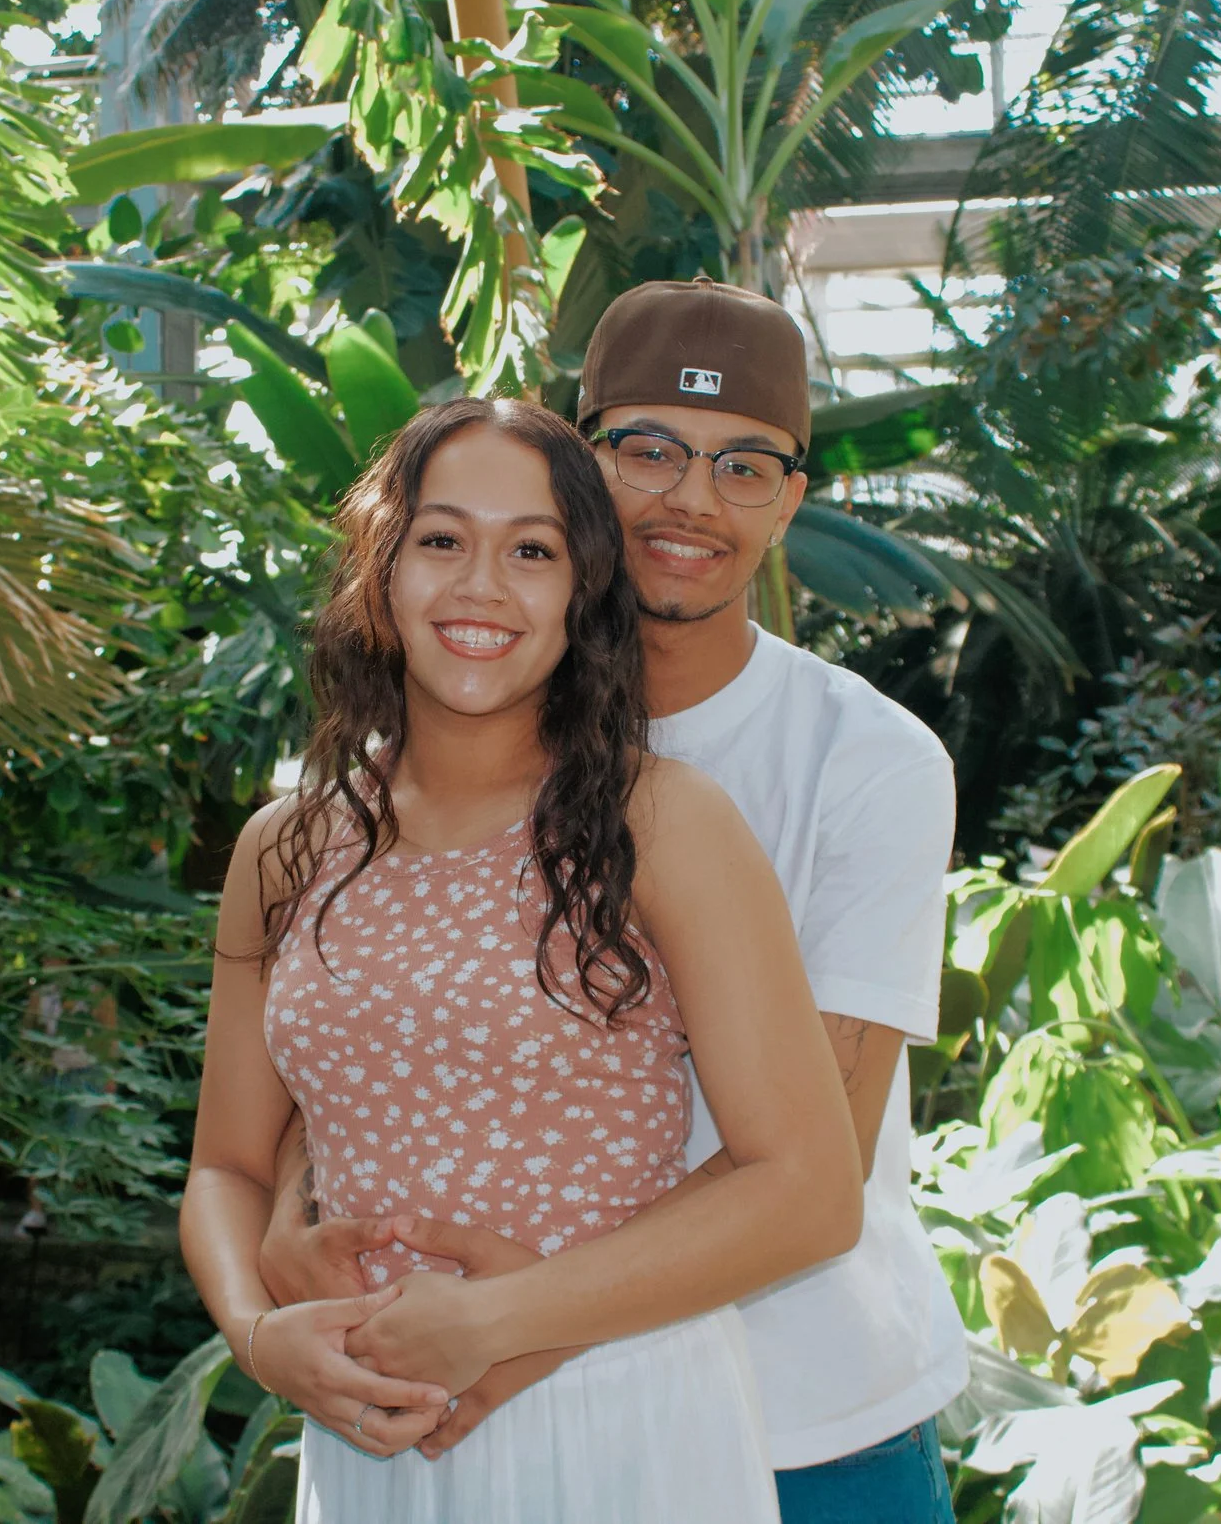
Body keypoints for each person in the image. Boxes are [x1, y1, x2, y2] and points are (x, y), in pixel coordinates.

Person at [262, 279, 966, 1524]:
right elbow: (353, 1052)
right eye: (648, 450)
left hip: (810, 1411)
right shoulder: (428, 757)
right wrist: (286, 1241)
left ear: (791, 498)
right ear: (580, 471)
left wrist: (499, 1337)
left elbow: (823, 1152)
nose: (691, 500)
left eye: (745, 466)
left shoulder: (866, 758)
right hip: (471, 1409)